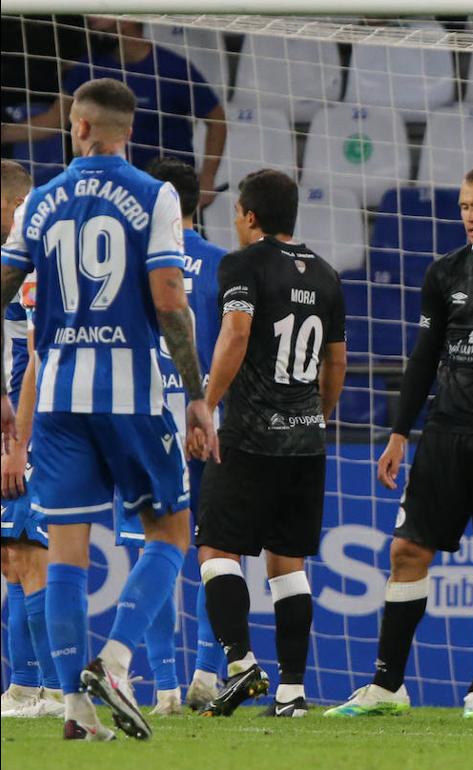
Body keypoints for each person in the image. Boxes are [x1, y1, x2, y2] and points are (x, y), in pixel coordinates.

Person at [0, 77, 217, 742]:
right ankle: (116, 664)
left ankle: (76, 709)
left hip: (56, 394)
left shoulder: (35, 202)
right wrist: (198, 396)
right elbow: (169, 300)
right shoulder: (155, 196)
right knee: (172, 532)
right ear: (125, 130)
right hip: (128, 391)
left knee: (65, 553)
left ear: (82, 126)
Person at [324, 164, 473, 720]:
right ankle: (387, 687)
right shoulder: (444, 273)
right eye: (464, 206)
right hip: (444, 432)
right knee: (406, 550)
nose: (469, 216)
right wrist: (397, 434)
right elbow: (422, 358)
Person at [194, 169, 347, 719]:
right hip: (306, 441)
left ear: (251, 217)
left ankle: (240, 665)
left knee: (215, 549)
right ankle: (293, 693)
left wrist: (206, 405)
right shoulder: (327, 274)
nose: (236, 222)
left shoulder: (243, 264)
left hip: (251, 436)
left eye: (237, 213)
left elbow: (235, 333)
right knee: (289, 563)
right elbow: (337, 360)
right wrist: (318, 416)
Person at [104, 157, 228, 716]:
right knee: (215, 550)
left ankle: (168, 689)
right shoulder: (226, 265)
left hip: (148, 425)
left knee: (152, 550)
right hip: (210, 424)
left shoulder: (133, 266)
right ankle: (207, 673)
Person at [0, 16, 225, 207]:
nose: (90, 21)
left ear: (126, 18)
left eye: (99, 15)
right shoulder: (88, 68)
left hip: (166, 190)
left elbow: (217, 120)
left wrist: (207, 176)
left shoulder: (172, 69)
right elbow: (51, 122)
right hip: (109, 193)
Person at [0, 159, 63, 720]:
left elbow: (38, 360)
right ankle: (24, 688)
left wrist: (22, 441)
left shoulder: (34, 250)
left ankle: (55, 689)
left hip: (42, 427)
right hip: (23, 424)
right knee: (15, 555)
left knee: (35, 555)